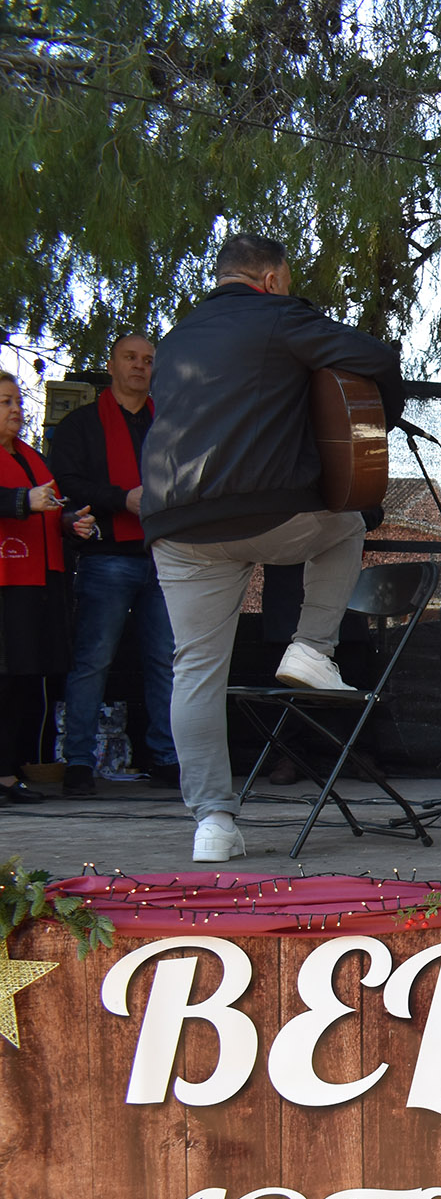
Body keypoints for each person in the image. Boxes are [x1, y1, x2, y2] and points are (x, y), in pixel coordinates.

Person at [138, 232, 403, 862]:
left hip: (175, 525)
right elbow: (375, 357)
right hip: (265, 508)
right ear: (273, 278)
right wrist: (374, 421)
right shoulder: (283, 317)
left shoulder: (174, 341)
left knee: (195, 670)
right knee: (347, 524)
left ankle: (212, 823)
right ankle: (313, 647)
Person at [46, 333, 180, 794]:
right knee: (92, 661)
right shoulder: (82, 424)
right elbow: (65, 482)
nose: (140, 366)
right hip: (106, 556)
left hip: (165, 555)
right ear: (112, 362)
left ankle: (165, 756)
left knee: (166, 660)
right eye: (130, 357)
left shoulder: (171, 423)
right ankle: (79, 762)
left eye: (147, 360)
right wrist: (122, 499)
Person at [0, 372, 97, 804]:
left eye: (17, 400)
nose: (16, 409)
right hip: (6, 581)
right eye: (5, 402)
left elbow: (47, 507)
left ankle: (11, 770)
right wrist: (21, 502)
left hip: (36, 582)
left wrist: (69, 522)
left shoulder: (29, 456)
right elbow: (23, 502)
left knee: (24, 679)